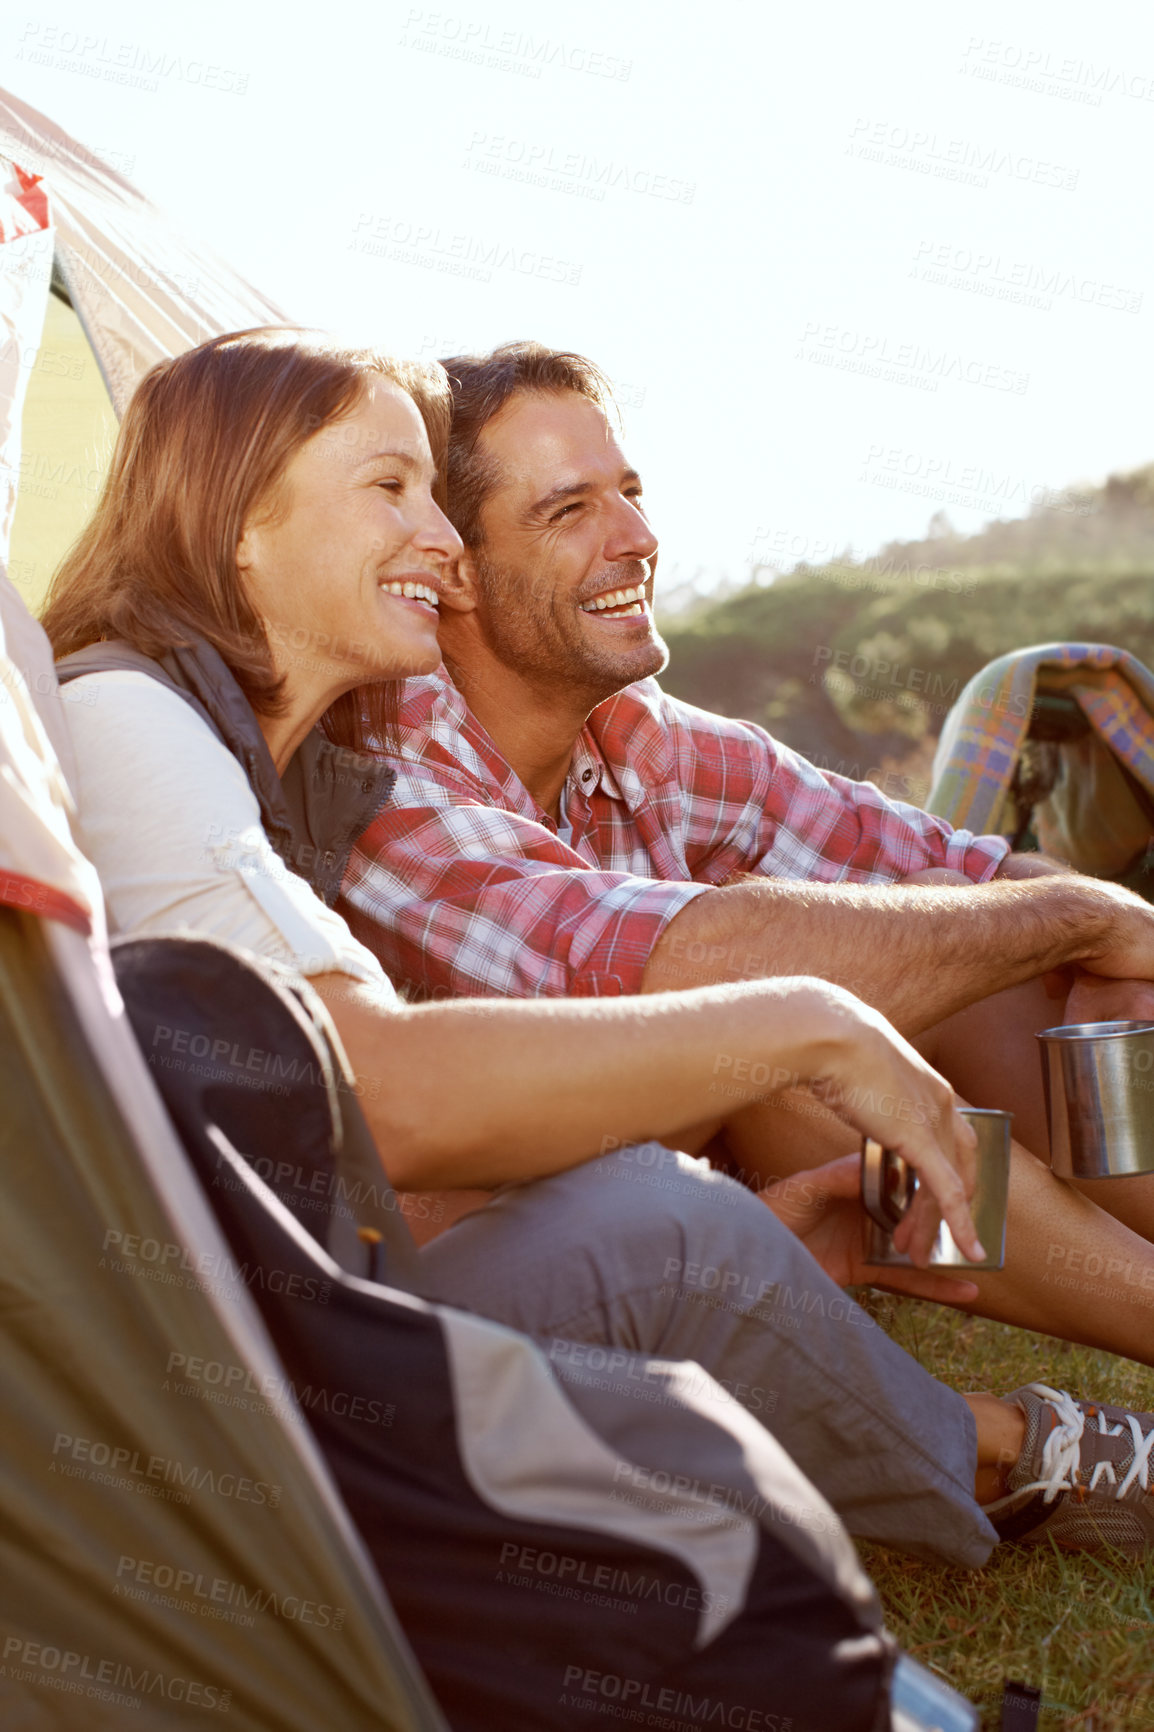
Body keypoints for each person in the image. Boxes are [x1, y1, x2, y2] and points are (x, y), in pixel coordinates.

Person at [43, 327, 1154, 1568]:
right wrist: (803, 1024)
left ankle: (989, 1403)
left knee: (950, 987)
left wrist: (1072, 916)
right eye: (391, 491)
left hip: (305, 1297)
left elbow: (325, 1149)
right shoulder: (165, 729)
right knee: (698, 1169)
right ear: (238, 520)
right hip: (221, 1390)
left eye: (629, 495)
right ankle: (1007, 1443)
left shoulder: (288, 762)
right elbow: (388, 1092)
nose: (439, 544)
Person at [339, 338, 1154, 1361]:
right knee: (771, 1026)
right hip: (457, 1276)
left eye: (628, 493)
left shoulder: (643, 735)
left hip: (679, 1194)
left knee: (967, 932)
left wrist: (1091, 938)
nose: (635, 536)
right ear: (453, 572)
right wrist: (1079, 912)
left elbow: (946, 863)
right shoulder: (385, 763)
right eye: (568, 509)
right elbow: (644, 975)